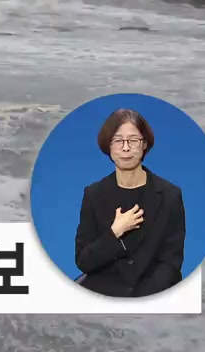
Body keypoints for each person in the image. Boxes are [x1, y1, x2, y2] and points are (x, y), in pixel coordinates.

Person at [73, 107, 186, 297]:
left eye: (133, 140)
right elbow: (84, 261)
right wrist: (115, 232)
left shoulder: (169, 195)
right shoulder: (94, 194)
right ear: (108, 146)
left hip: (152, 295)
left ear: (144, 144)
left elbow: (170, 263)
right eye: (118, 141)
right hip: (103, 294)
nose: (125, 148)